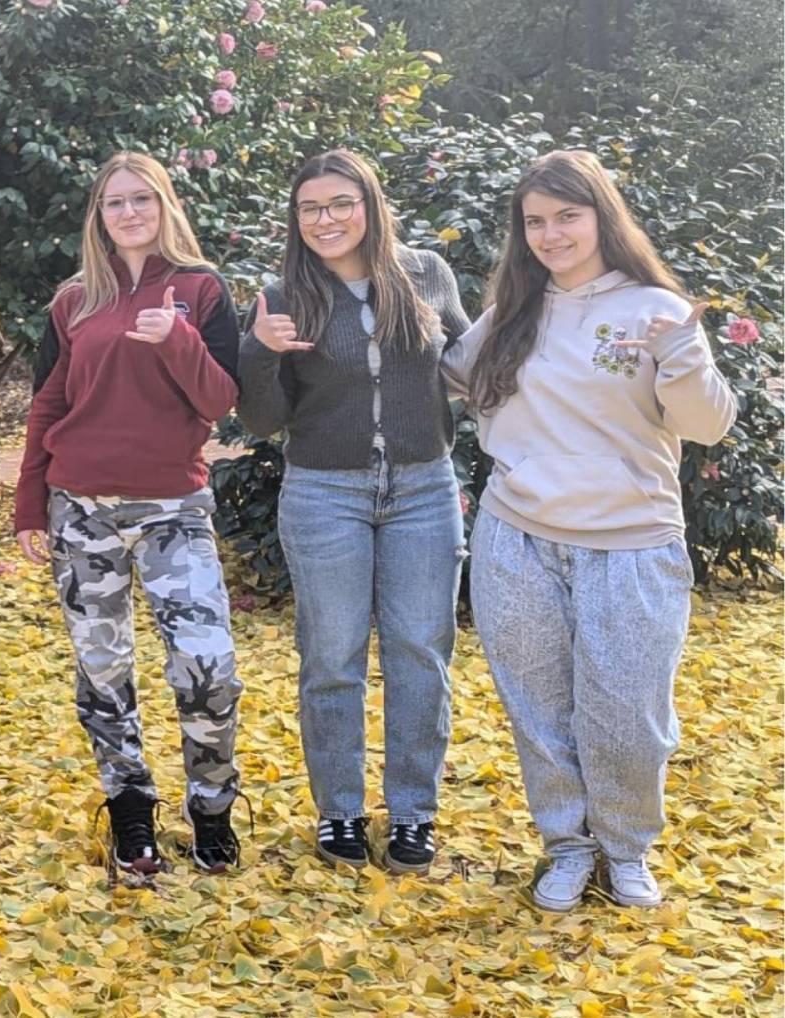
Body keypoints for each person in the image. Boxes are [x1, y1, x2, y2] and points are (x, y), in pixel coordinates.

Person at [442, 149, 737, 913]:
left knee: (629, 716)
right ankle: (567, 847)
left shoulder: (656, 311)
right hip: (519, 541)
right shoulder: (511, 314)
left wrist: (680, 360)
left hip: (632, 543)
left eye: (567, 216)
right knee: (540, 713)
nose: (551, 234)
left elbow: (707, 425)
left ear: (602, 216)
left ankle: (627, 848)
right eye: (535, 221)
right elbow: (447, 372)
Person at [237, 149, 474, 874]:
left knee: (419, 655)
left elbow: (470, 365)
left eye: (341, 203)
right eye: (310, 208)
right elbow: (261, 418)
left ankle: (413, 816)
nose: (326, 219)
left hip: (423, 490)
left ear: (370, 205)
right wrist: (258, 349)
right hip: (323, 492)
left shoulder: (426, 273)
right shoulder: (283, 294)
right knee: (332, 659)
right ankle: (339, 812)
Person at [12, 151, 245, 884]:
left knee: (207, 667)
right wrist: (28, 502)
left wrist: (175, 339)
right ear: (100, 217)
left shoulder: (201, 290)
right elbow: (48, 403)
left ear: (165, 204)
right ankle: (131, 808)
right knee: (103, 671)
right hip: (82, 511)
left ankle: (212, 809)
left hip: (173, 509)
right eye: (115, 203)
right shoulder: (74, 299)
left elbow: (219, 401)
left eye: (142, 198)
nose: (130, 212)